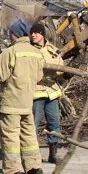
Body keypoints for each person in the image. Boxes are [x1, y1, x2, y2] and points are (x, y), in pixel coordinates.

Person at [0, 18, 45, 174]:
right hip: (27, 101)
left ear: (14, 34)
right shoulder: (36, 53)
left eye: (10, 33)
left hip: (11, 103)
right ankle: (34, 167)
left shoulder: (9, 52)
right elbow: (39, 76)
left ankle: (12, 171)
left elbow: (0, 76)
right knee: (29, 135)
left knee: (10, 136)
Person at [29, 23, 64, 164]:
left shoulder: (52, 49)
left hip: (51, 92)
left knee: (54, 123)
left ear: (43, 34)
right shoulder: (29, 50)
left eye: (36, 32)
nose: (33, 35)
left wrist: (62, 74)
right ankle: (32, 156)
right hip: (36, 92)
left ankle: (53, 154)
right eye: (32, 32)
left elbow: (61, 68)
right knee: (32, 125)